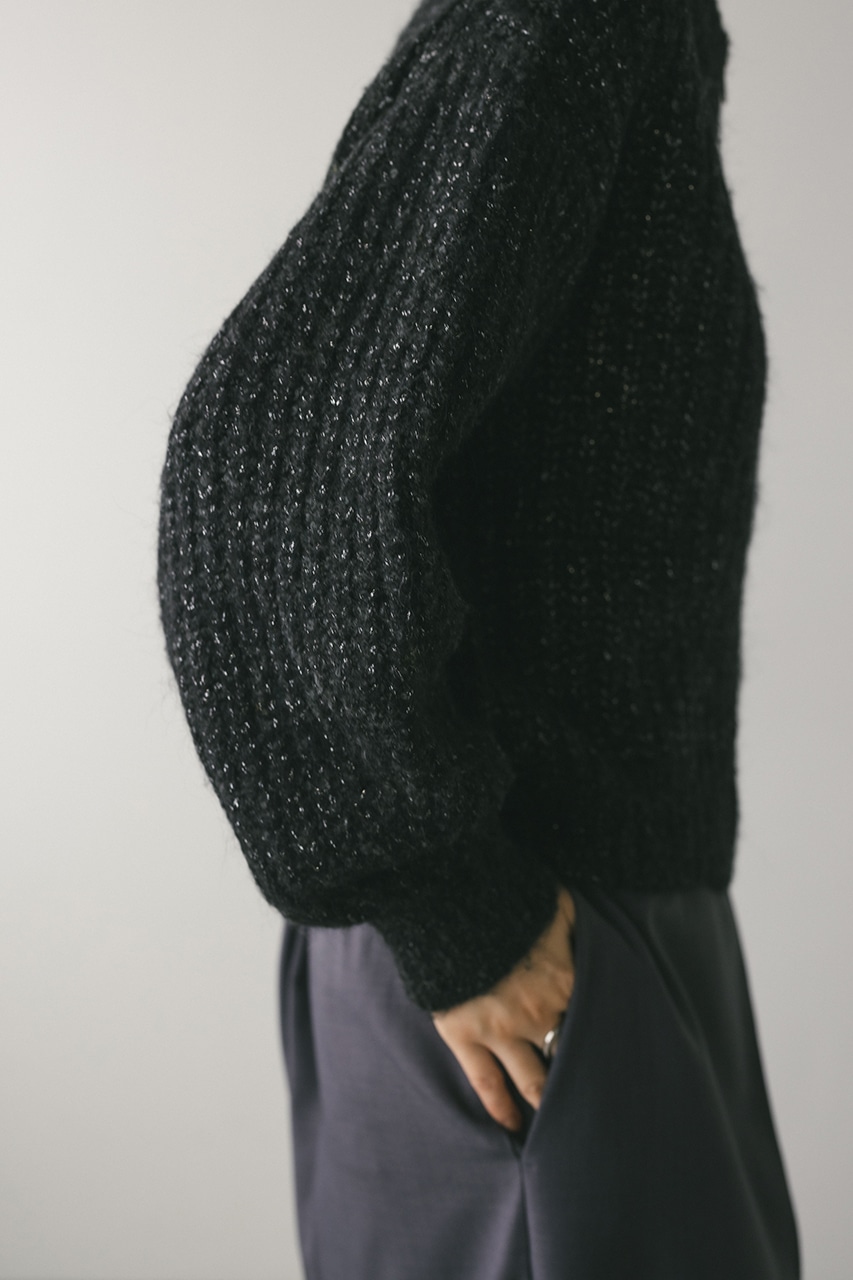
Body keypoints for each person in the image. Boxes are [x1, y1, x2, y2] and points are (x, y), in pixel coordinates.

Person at [156, 0, 801, 1274]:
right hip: (524, 979)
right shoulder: (565, 22)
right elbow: (264, 473)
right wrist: (453, 903)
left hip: (572, 944)